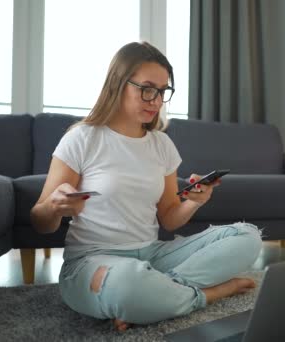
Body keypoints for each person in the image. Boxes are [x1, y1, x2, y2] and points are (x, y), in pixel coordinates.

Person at [30, 41, 263, 331]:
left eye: (163, 91)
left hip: (153, 255)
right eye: (147, 88)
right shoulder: (81, 139)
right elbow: (40, 221)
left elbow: (168, 217)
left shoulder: (161, 144)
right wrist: (54, 206)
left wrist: (194, 201)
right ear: (118, 83)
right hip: (91, 261)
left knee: (248, 237)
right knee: (127, 284)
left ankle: (153, 297)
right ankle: (207, 293)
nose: (156, 100)